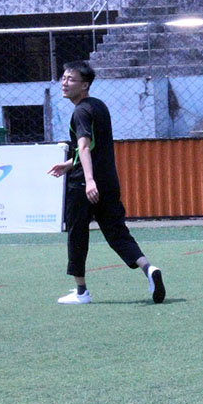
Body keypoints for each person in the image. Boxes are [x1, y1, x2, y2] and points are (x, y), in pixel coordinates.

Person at [47, 60, 165, 305]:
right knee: (116, 232)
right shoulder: (99, 106)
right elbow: (93, 148)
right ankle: (148, 268)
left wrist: (89, 180)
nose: (64, 83)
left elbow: (84, 146)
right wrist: (69, 163)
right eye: (64, 78)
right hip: (109, 182)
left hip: (84, 185)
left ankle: (81, 292)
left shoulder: (80, 112)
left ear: (85, 85)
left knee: (77, 234)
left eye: (71, 79)